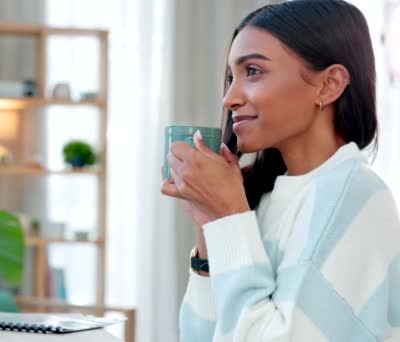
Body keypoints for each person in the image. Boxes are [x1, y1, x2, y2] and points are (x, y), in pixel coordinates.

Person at [161, 0, 400, 341]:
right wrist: (210, 224)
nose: (229, 98)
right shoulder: (265, 197)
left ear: (329, 85)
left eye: (253, 71)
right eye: (231, 76)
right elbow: (199, 337)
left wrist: (229, 218)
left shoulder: (357, 198)